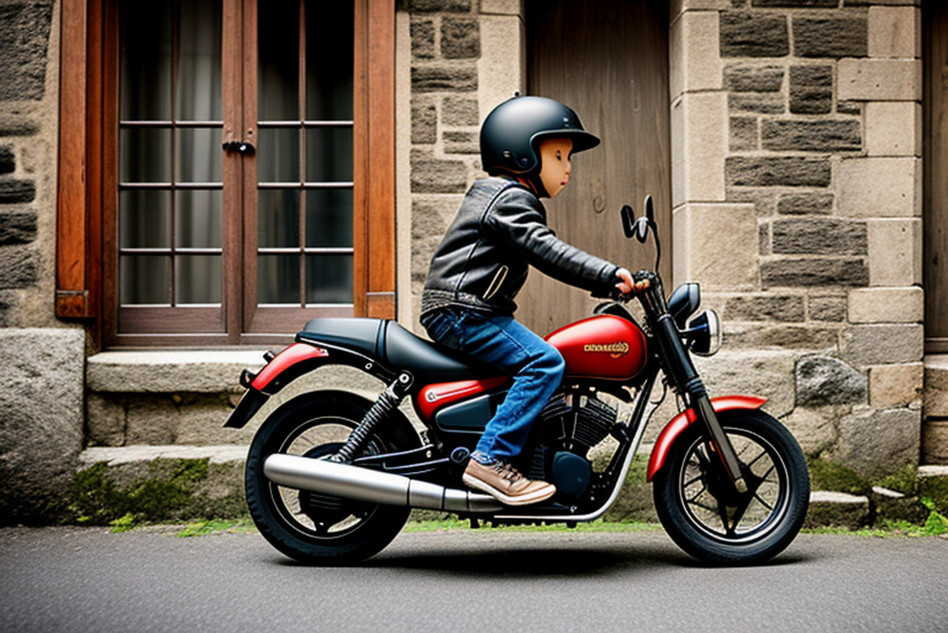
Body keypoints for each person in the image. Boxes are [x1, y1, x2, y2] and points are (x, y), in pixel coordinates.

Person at [420, 95, 638, 506]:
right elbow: (546, 250)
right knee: (544, 361)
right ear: (520, 153)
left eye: (569, 156)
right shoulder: (508, 197)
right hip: (463, 310)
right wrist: (608, 275)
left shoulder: (500, 197)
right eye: (558, 154)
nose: (568, 166)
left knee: (536, 359)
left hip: (465, 308)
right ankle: (490, 459)